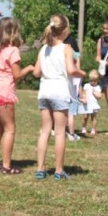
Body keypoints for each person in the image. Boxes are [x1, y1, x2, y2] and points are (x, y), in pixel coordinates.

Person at [33, 14, 84, 180]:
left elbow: (36, 72)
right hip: (59, 91)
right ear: (65, 30)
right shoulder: (66, 48)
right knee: (60, 133)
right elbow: (71, 70)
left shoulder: (43, 49)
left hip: (44, 91)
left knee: (45, 131)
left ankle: (40, 169)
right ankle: (59, 171)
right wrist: (81, 72)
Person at [0, 17, 34, 174]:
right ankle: (6, 166)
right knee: (9, 129)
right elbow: (16, 75)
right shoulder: (13, 50)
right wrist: (29, 68)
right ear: (13, 33)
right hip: (4, 92)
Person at [64, 33, 82, 141]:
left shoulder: (61, 53)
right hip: (73, 90)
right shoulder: (75, 55)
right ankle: (71, 133)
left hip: (63, 88)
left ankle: (61, 130)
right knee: (71, 113)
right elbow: (78, 68)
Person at [82, 70, 102, 136]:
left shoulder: (98, 87)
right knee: (85, 117)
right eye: (91, 81)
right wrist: (83, 98)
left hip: (94, 105)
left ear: (97, 80)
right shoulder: (86, 85)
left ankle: (93, 129)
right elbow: (83, 93)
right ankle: (83, 128)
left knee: (93, 118)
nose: (92, 82)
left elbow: (99, 96)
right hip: (87, 104)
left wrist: (94, 93)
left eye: (94, 81)